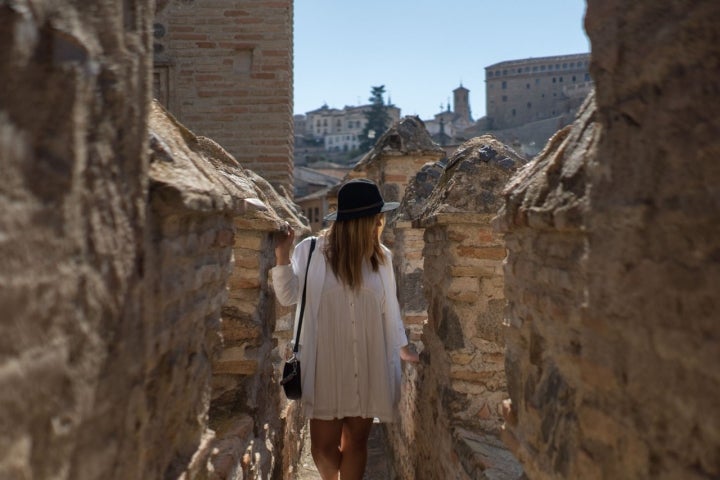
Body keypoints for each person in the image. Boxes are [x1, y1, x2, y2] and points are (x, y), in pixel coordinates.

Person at [272, 178, 419, 480]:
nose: (382, 223)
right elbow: (287, 296)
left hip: (368, 362)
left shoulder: (382, 258)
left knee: (356, 442)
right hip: (324, 364)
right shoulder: (310, 252)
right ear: (366, 221)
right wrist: (282, 257)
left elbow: (390, 309)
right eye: (378, 218)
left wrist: (404, 348)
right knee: (322, 449)